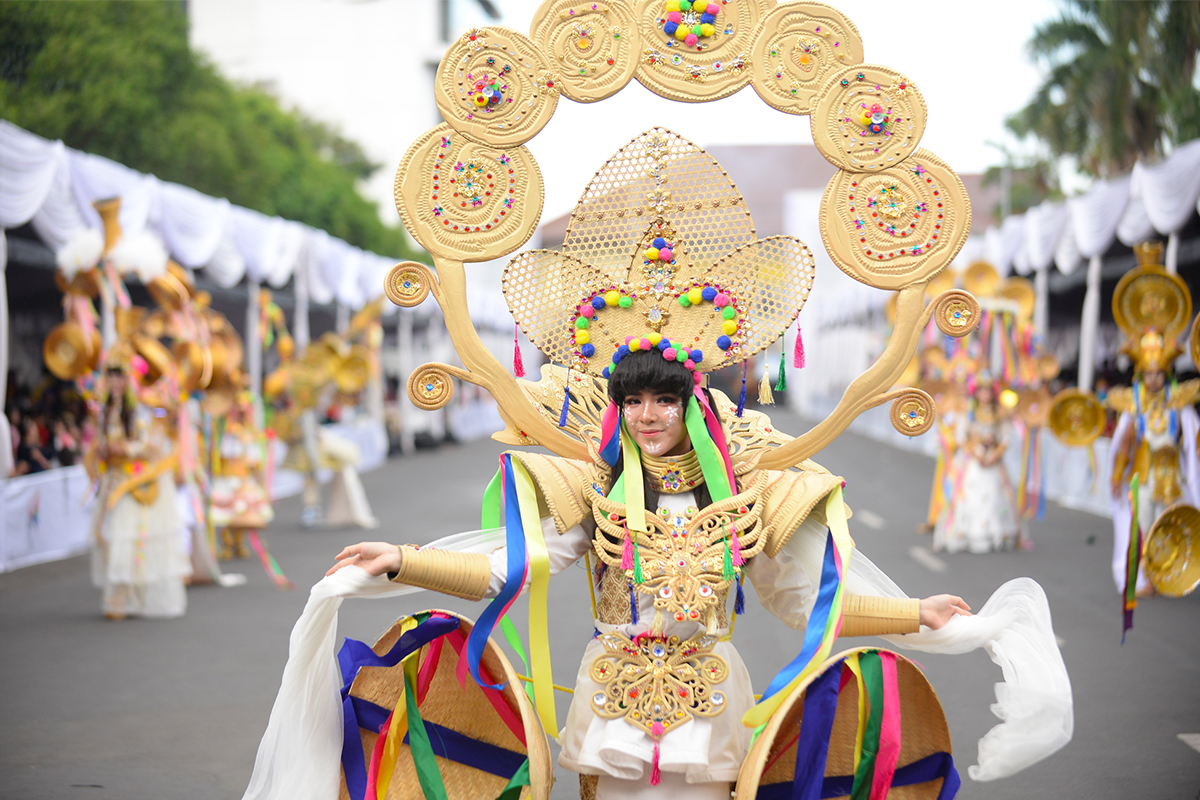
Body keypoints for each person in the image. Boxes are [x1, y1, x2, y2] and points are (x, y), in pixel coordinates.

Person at [329, 349, 976, 800]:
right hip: (615, 697)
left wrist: (915, 614)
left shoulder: (746, 501)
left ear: (693, 407)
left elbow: (807, 605)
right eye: (633, 400)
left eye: (665, 399)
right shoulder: (595, 492)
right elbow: (512, 569)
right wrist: (405, 561)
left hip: (712, 699)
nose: (648, 415)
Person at [89, 359, 192, 619]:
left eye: (120, 377)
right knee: (110, 536)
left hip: (133, 481)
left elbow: (152, 445)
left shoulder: (143, 411)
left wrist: (125, 450)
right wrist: (102, 450)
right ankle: (122, 597)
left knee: (127, 537)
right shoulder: (107, 409)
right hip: (113, 478)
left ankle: (129, 596)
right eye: (110, 377)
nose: (114, 383)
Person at [933, 374, 1023, 553]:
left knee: (994, 496)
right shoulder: (968, 412)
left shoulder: (1001, 413)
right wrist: (977, 452)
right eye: (982, 390)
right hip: (973, 461)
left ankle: (996, 534)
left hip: (993, 462)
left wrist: (994, 456)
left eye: (988, 390)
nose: (985, 394)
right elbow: (962, 437)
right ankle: (966, 534)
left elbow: (1006, 438)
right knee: (967, 495)